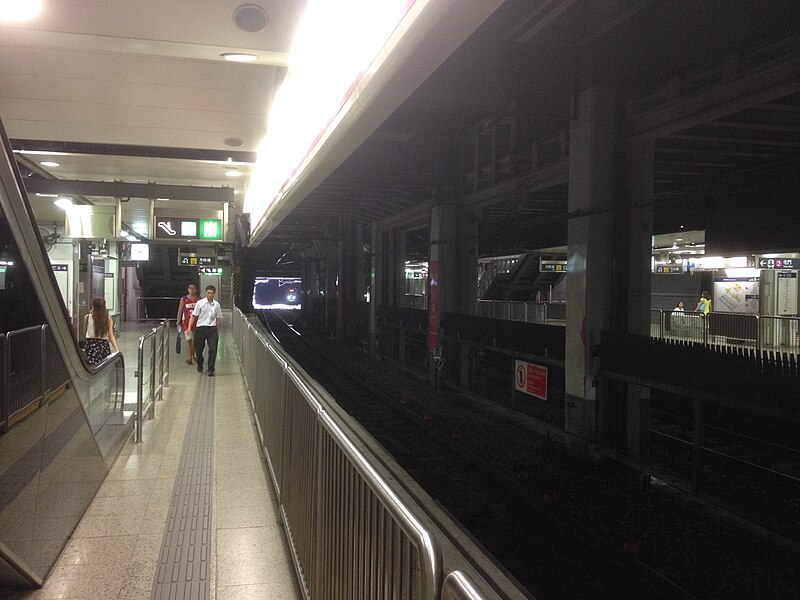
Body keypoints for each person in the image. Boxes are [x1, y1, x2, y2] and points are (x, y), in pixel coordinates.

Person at [189, 284, 222, 376]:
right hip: (201, 328)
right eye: (208, 293)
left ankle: (210, 369)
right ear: (205, 293)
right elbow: (194, 316)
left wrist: (217, 331)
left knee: (213, 348)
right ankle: (200, 363)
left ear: (214, 294)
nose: (210, 295)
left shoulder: (217, 305)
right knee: (198, 349)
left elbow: (218, 318)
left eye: (211, 293)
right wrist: (189, 327)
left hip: (212, 329)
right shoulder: (200, 303)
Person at [83, 297, 119, 365]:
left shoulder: (87, 317)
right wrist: (116, 349)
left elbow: (84, 332)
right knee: (103, 367)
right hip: (103, 346)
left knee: (91, 367)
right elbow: (111, 335)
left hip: (90, 345)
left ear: (93, 306)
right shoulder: (108, 319)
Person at [176, 283, 200, 365]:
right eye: (190, 288)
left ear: (196, 290)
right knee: (188, 340)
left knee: (195, 341)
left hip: (197, 323)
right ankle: (190, 356)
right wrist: (178, 322)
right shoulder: (184, 299)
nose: (191, 290)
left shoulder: (199, 300)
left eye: (193, 288)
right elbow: (180, 311)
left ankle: (194, 355)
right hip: (186, 323)